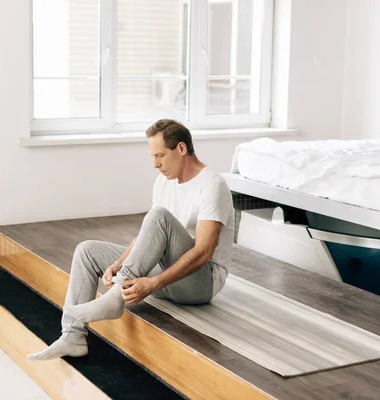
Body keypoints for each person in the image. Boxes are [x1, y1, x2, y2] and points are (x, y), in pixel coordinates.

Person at [28, 119, 235, 361]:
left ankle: (115, 298)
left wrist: (153, 283)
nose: (155, 164)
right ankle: (72, 337)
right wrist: (119, 262)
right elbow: (150, 235)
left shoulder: (212, 185)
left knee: (159, 216)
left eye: (160, 156)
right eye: (152, 157)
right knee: (86, 251)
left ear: (181, 148)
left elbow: (204, 251)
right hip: (169, 273)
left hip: (200, 283)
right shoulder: (163, 182)